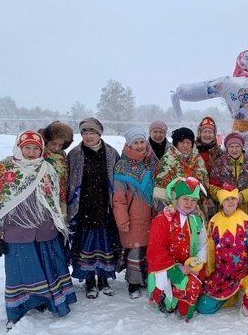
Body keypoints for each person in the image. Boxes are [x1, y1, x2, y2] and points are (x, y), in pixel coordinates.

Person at [0, 130, 76, 330]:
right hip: (16, 229)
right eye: (27, 147)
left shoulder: (47, 168)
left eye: (36, 148)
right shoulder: (5, 167)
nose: (31, 152)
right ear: (19, 147)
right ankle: (21, 306)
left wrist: (60, 222)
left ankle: (45, 299)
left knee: (47, 266)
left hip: (45, 227)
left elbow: (54, 198)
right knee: (21, 270)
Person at [196, 185, 248, 316]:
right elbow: (210, 251)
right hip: (222, 275)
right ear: (221, 202)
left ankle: (244, 293)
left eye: (233, 198)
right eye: (227, 199)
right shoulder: (214, 222)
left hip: (245, 274)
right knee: (204, 307)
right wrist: (207, 273)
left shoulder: (247, 222)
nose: (231, 202)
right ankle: (230, 296)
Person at [67, 117, 121, 299]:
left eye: (92, 132)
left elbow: (118, 181)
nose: (88, 136)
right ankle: (90, 280)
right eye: (84, 132)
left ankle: (104, 279)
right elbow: (69, 183)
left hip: (105, 206)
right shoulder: (74, 155)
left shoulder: (112, 154)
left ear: (99, 134)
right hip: (84, 208)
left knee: (105, 244)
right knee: (86, 245)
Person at [147, 177, 207, 322]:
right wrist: (177, 269)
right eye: (185, 199)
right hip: (166, 269)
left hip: (189, 267)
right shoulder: (162, 220)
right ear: (177, 198)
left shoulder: (197, 220)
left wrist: (196, 264)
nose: (189, 203)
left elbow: (202, 244)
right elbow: (156, 250)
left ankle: (182, 300)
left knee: (190, 296)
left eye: (193, 200)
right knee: (170, 304)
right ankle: (163, 297)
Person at [113, 128, 158, 298]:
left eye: (141, 142)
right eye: (135, 143)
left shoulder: (151, 162)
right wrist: (122, 220)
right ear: (128, 144)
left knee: (149, 251)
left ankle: (147, 279)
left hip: (151, 215)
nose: (139, 146)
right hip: (133, 217)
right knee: (135, 251)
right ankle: (133, 283)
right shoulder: (122, 166)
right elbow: (118, 198)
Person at [209, 131, 248, 220]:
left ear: (242, 147)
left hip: (246, 212)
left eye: (237, 146)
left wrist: (242, 196)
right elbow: (212, 187)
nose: (234, 150)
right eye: (231, 147)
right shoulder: (219, 164)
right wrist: (227, 197)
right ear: (227, 148)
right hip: (225, 211)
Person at [153, 127, 208, 209]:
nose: (185, 146)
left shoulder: (198, 159)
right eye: (182, 142)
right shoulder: (167, 160)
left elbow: (205, 181)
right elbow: (160, 189)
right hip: (174, 207)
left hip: (196, 206)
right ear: (176, 143)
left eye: (188, 142)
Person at [38, 121, 74, 218]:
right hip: (45, 198)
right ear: (47, 141)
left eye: (60, 145)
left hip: (61, 197)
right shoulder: (39, 155)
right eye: (53, 143)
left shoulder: (63, 156)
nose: (56, 147)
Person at [196, 116, 224, 219]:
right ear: (199, 133)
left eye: (210, 132)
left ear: (214, 135)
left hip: (215, 197)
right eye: (204, 131)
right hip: (195, 197)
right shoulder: (192, 151)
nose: (207, 135)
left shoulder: (220, 154)